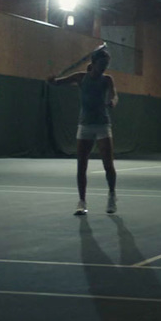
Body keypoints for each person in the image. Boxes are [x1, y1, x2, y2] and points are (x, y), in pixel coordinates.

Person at [48, 48, 118, 216]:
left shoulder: (107, 80)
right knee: (81, 166)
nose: (104, 67)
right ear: (94, 63)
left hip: (102, 125)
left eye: (106, 65)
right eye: (102, 64)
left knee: (108, 165)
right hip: (85, 126)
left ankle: (112, 195)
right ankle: (82, 202)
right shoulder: (80, 77)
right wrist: (52, 80)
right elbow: (58, 82)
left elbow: (115, 95)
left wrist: (113, 101)